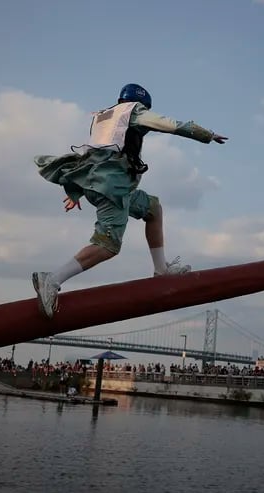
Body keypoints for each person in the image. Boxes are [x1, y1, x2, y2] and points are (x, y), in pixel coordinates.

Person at [31, 83, 227, 319]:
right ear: (141, 104)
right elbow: (169, 125)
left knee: (153, 208)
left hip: (103, 184)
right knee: (108, 245)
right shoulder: (134, 111)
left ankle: (161, 269)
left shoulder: (104, 117)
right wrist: (206, 134)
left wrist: (77, 191)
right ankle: (52, 280)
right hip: (113, 188)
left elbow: (96, 156)